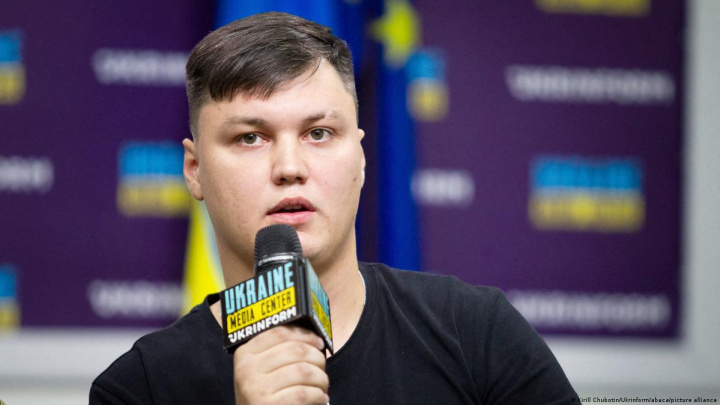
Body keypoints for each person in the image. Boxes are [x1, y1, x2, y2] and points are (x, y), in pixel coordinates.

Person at [90, 11, 578, 404]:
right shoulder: (138, 390)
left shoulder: (477, 333)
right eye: (251, 137)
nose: (289, 167)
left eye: (318, 133)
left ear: (361, 157)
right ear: (195, 170)